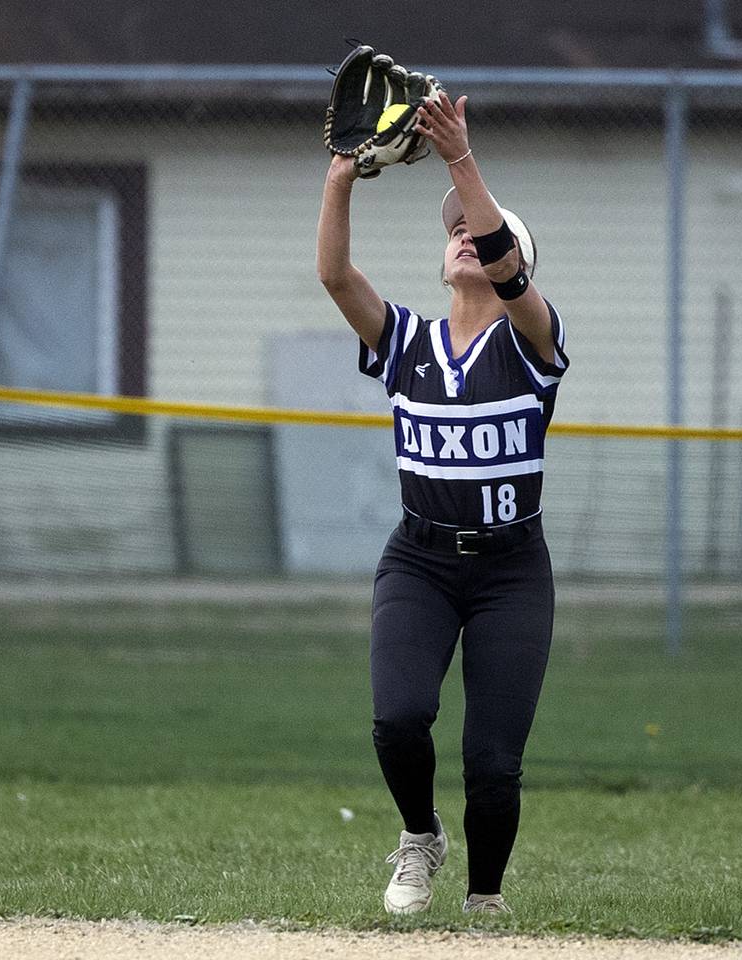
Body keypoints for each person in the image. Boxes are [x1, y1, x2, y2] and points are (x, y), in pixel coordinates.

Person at [316, 90, 569, 916]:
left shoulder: (533, 342)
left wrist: (462, 158)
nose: (464, 237)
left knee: (493, 764)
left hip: (510, 571)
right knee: (398, 719)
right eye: (454, 230)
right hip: (420, 560)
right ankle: (419, 837)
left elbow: (512, 271)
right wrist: (342, 176)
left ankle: (483, 902)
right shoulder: (408, 343)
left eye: (482, 233)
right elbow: (334, 275)